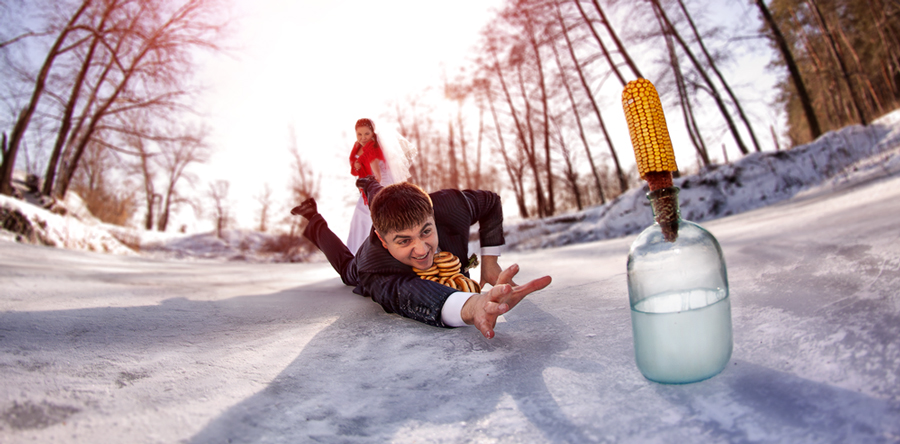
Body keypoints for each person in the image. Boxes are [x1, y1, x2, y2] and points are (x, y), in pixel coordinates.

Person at [291, 177, 552, 339]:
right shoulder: (374, 269)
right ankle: (313, 218)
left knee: (382, 195)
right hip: (362, 260)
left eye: (426, 232)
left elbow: (491, 202)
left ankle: (369, 183)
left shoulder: (452, 206)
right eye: (404, 241)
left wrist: (490, 261)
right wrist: (471, 306)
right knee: (346, 269)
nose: (421, 250)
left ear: (433, 216)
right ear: (384, 240)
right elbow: (411, 294)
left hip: (393, 202)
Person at [346, 118, 415, 253]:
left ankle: (364, 251)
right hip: (370, 184)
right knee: (363, 216)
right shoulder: (359, 147)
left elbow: (377, 175)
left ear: (373, 132)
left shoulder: (372, 148)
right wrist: (357, 165)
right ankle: (362, 250)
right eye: (359, 134)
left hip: (379, 183)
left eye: (366, 133)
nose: (363, 137)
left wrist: (371, 186)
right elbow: (357, 167)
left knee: (367, 215)